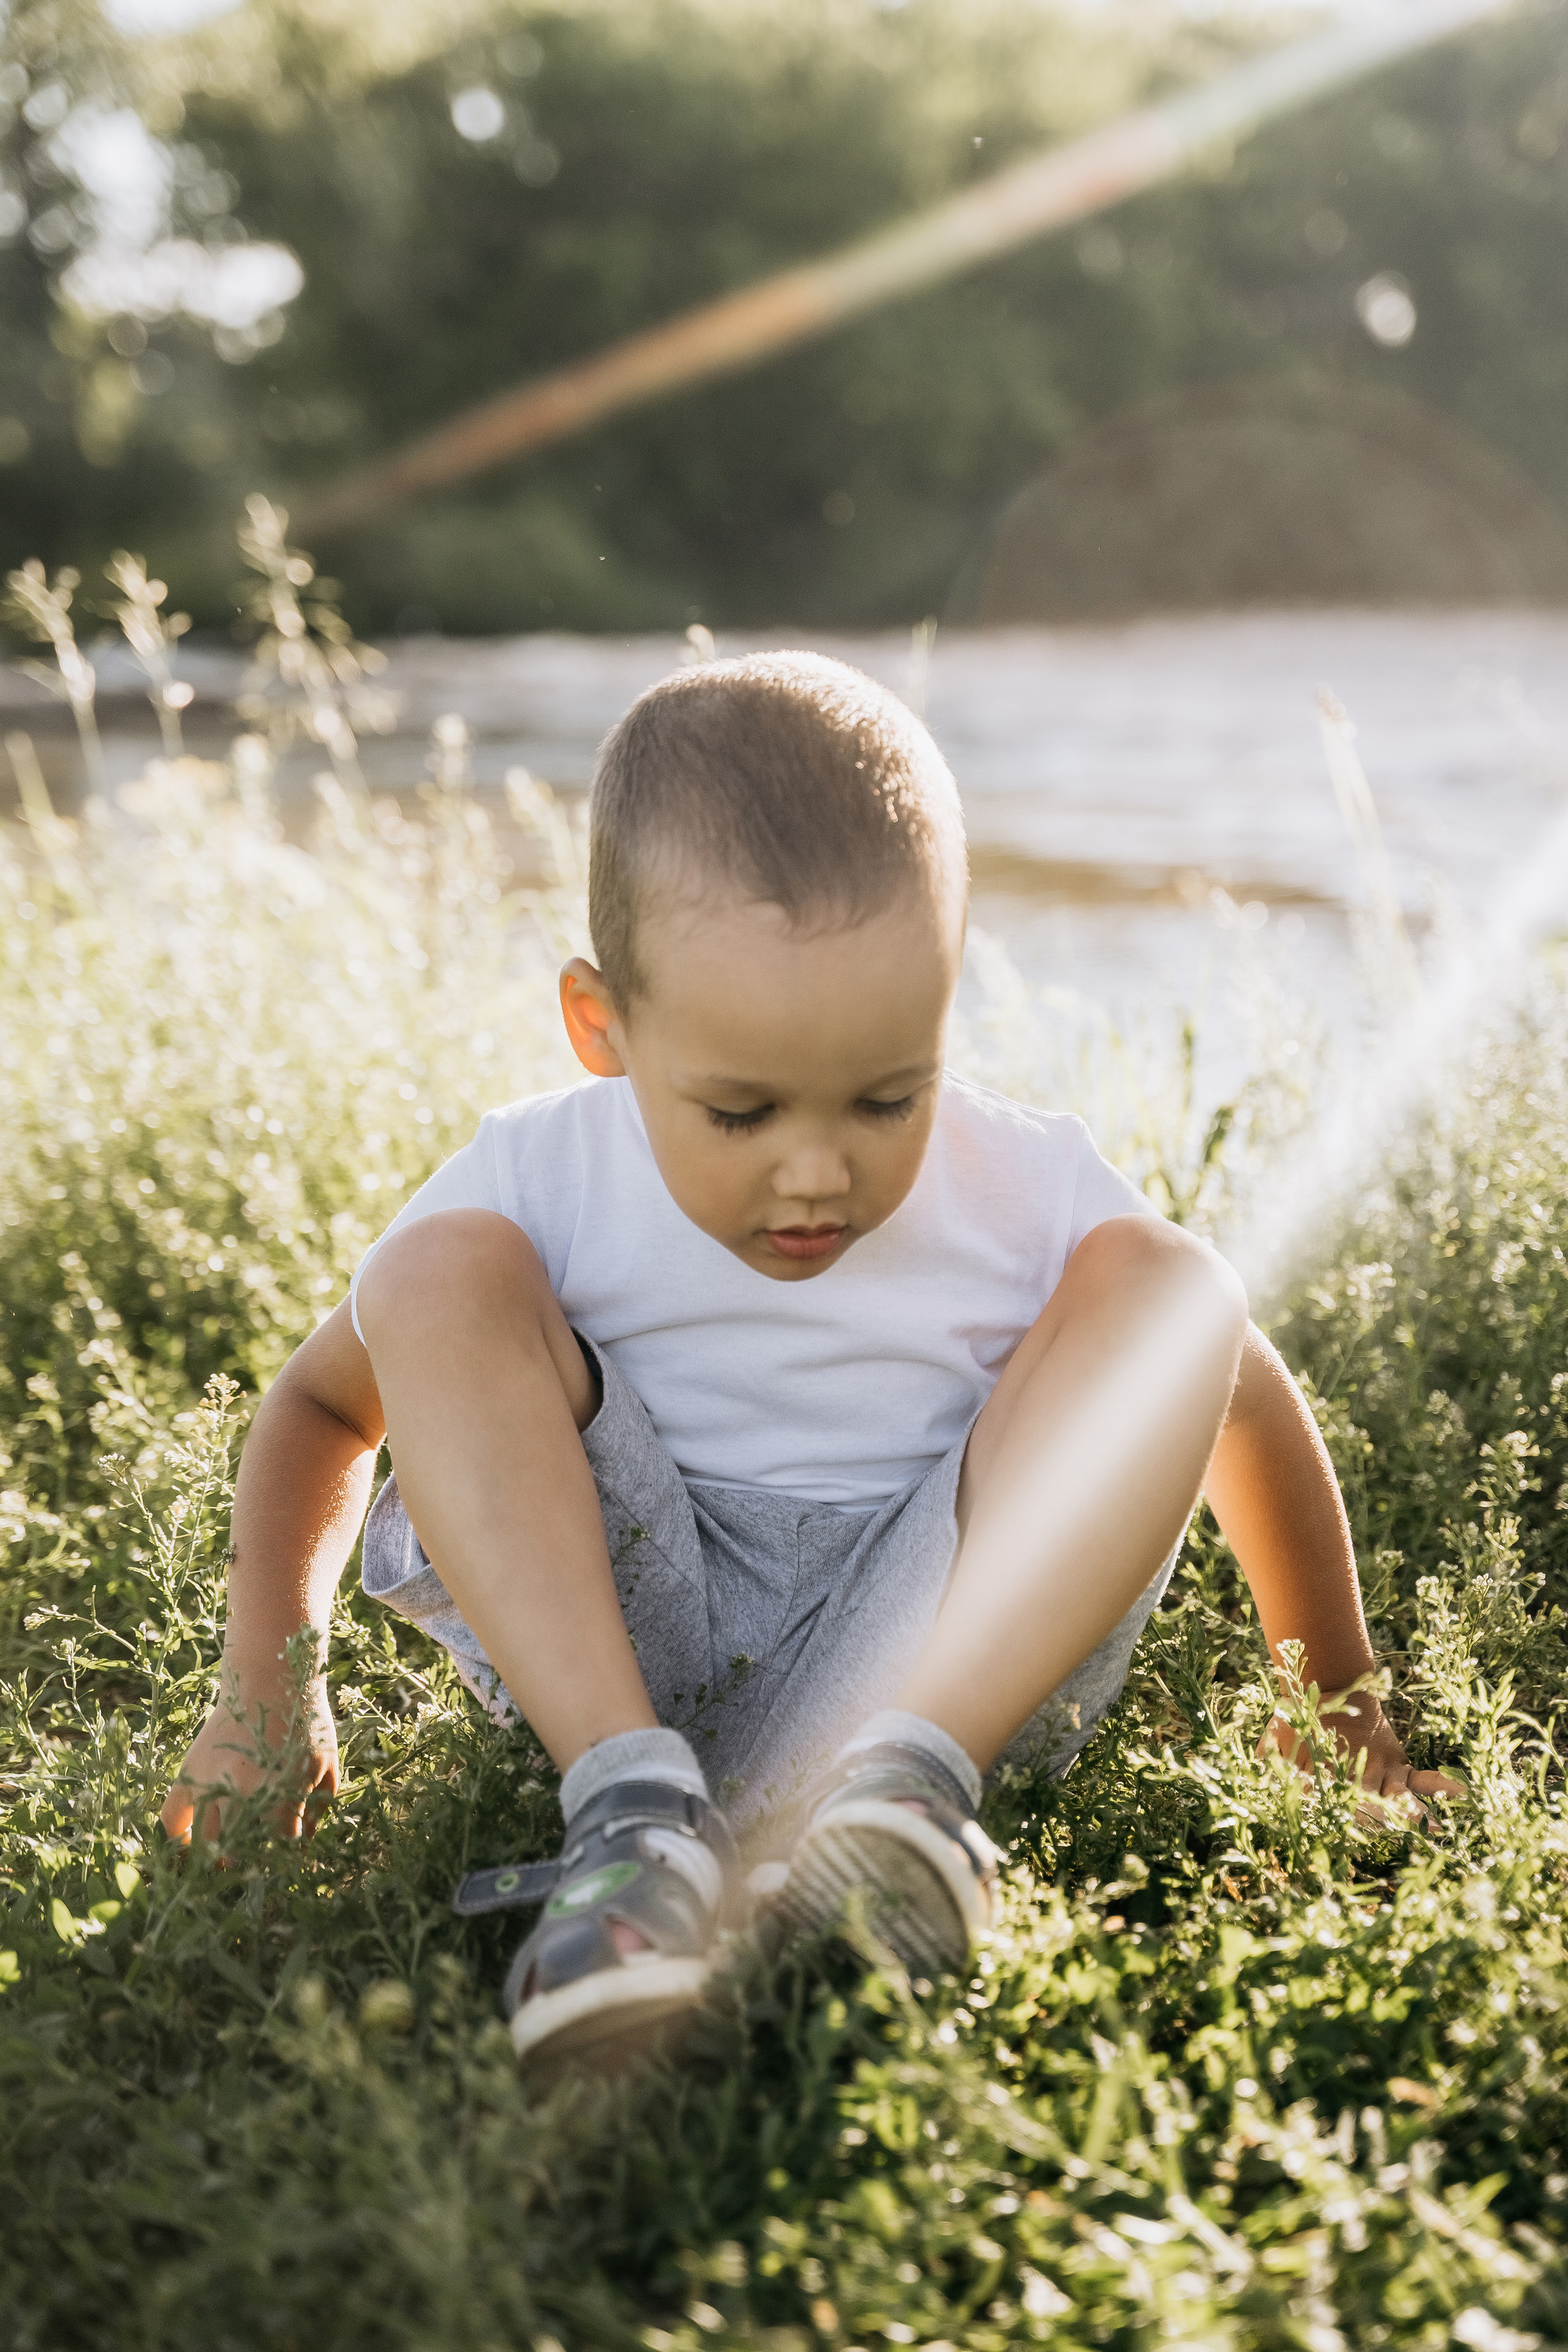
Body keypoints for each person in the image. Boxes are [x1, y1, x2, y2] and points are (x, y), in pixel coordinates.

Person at [163, 652, 1454, 2071]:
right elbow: (316, 1409)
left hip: (938, 1651)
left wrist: (1337, 1710)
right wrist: (266, 1688)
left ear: (945, 1011)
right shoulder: (541, 1174)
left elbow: (1232, 1392)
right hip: (624, 1645)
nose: (816, 1172)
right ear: (603, 1026)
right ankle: (630, 1827)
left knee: (1171, 1290)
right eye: (739, 1111)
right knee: (435, 1273)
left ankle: (897, 1814)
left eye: (885, 1096)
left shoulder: (1019, 1185)